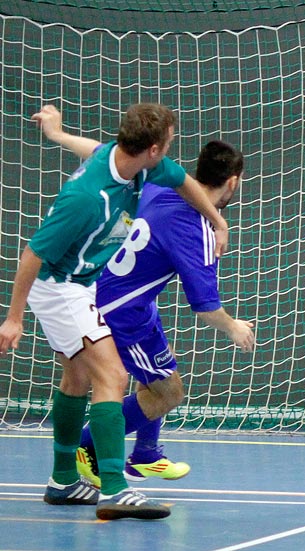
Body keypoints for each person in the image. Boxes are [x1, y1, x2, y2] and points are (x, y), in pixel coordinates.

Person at [0, 104, 229, 520]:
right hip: (58, 285)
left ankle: (63, 480)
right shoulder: (87, 200)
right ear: (154, 148)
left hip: (83, 282)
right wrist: (14, 318)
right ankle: (115, 487)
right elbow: (32, 255)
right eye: (170, 145)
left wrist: (217, 221)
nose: (172, 155)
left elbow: (182, 181)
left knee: (79, 376)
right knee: (113, 374)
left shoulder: (131, 163)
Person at [61, 140, 256, 487]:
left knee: (161, 368)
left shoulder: (158, 181)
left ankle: (146, 455)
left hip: (124, 297)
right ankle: (85, 445)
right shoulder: (196, 230)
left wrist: (59, 135)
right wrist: (233, 328)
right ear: (233, 182)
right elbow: (206, 307)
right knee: (168, 392)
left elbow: (100, 151)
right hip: (120, 310)